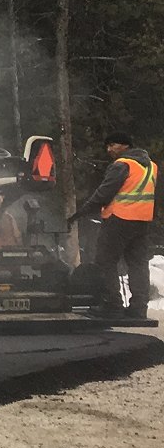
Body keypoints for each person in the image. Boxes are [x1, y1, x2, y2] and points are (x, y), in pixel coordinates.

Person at [81, 130, 154, 316]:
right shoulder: (151, 166)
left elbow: (105, 192)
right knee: (138, 264)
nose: (109, 149)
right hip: (142, 222)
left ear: (125, 145)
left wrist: (82, 211)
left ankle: (112, 305)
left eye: (112, 145)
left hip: (119, 219)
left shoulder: (122, 164)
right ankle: (139, 308)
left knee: (105, 260)